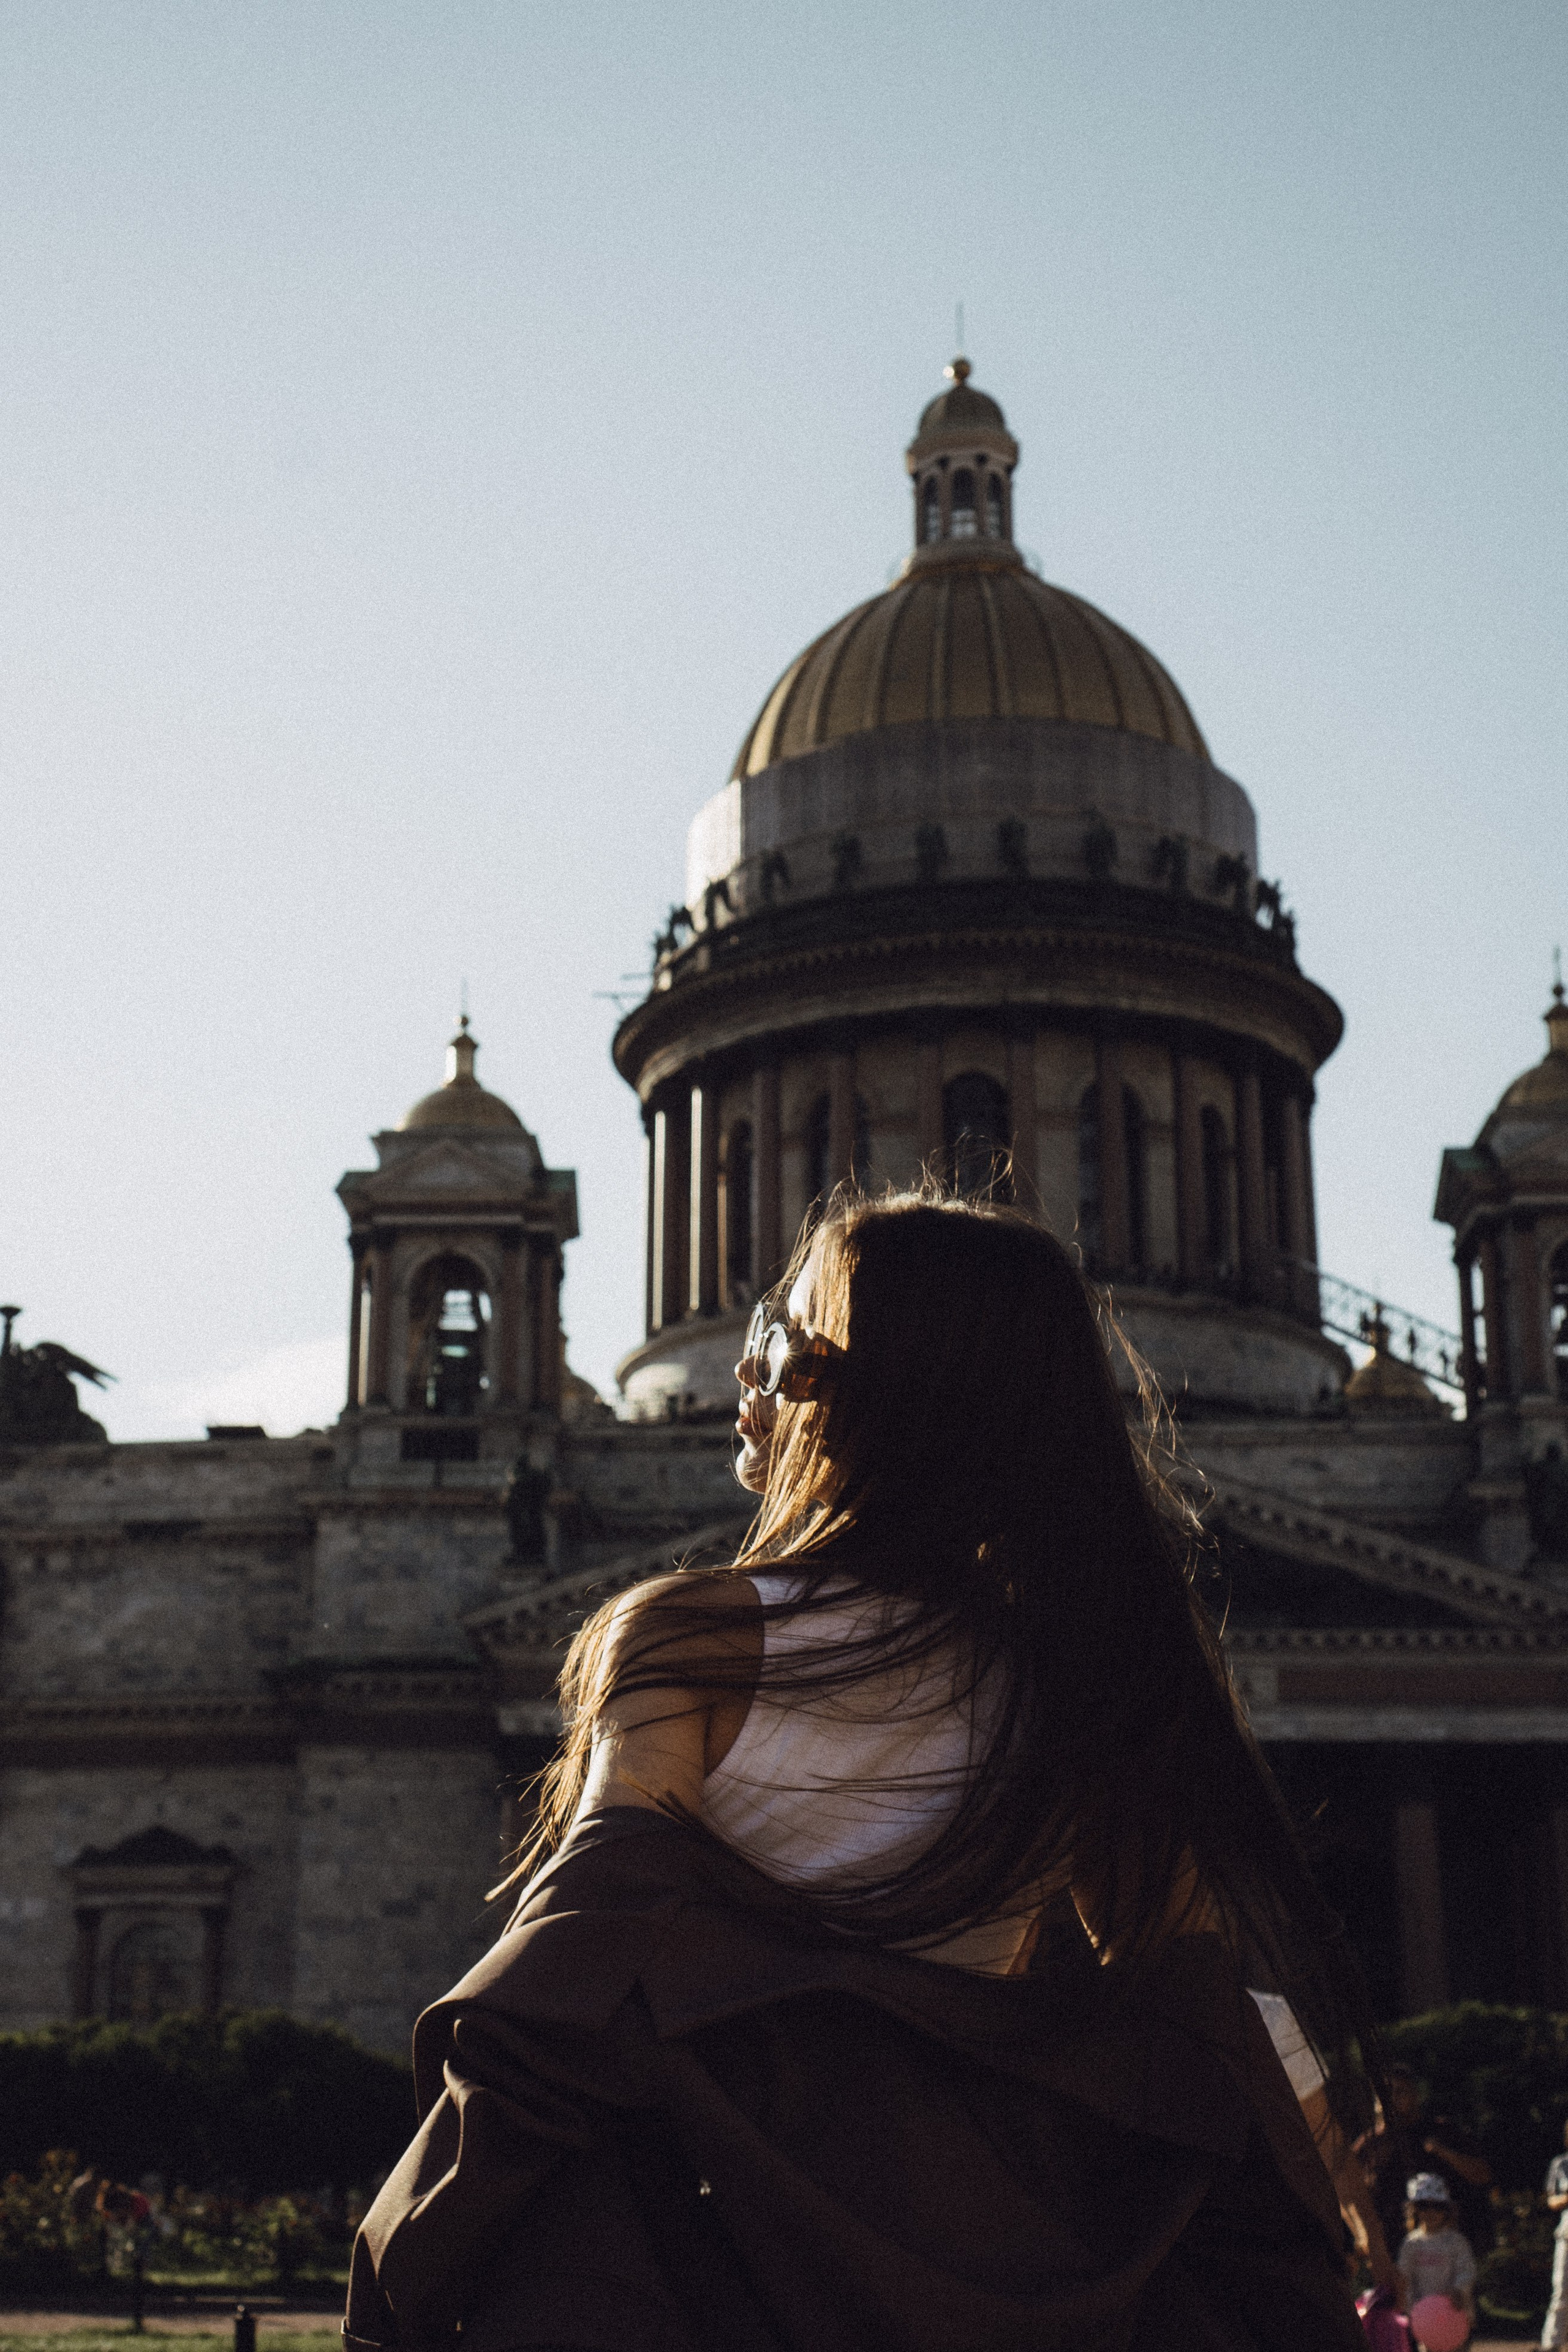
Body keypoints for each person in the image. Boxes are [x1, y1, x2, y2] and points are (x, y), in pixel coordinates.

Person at [347, 1193, 1383, 2351]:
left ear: (892, 1387)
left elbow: (587, 1939)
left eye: (783, 1344)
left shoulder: (690, 1636)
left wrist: (433, 2226)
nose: (749, 1373)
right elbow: (1194, 2003)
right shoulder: (1096, 1671)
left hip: (720, 2233)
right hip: (996, 2242)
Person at [1357, 2063, 1494, 2256]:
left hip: (1447, 2248)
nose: (1391, 2100)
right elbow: (1349, 2195)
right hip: (1395, 2253)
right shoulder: (1369, 2145)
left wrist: (1444, 2153)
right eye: (1384, 2094)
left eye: (1400, 2092)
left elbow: (1483, 2174)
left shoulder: (1443, 2131)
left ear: (1415, 2095)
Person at [1396, 2172, 1476, 2343]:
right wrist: (1410, 2309)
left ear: (1446, 2210)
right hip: (1424, 2319)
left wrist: (1458, 2290)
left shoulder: (1456, 2242)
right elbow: (1405, 2279)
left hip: (1454, 2314)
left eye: (1437, 2206)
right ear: (1415, 2209)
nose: (1431, 2212)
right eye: (1424, 2206)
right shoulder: (1411, 2244)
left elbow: (1467, 2271)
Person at [1540, 2117, 1568, 2350]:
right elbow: (1551, 2200)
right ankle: (1552, 2345)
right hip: (1567, 2234)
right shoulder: (1561, 2164)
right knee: (1562, 2292)